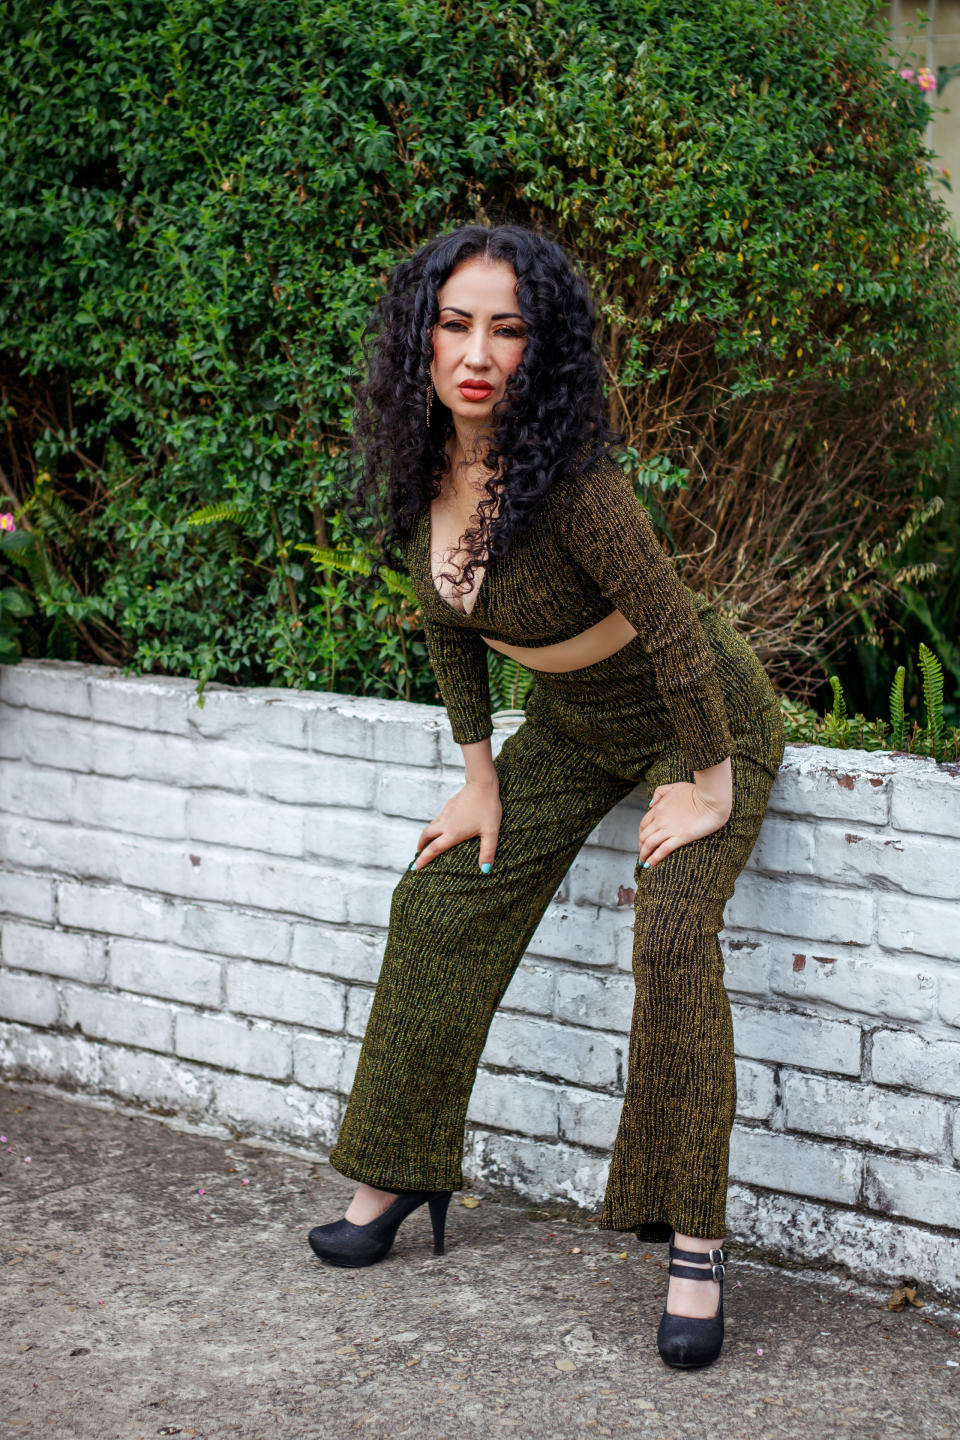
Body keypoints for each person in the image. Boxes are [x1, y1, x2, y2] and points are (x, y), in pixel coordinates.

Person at [308, 223, 785, 1370]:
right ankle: (398, 1170)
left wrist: (710, 785)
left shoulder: (575, 486)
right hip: (572, 726)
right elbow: (447, 623)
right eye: (455, 323)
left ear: (543, 348)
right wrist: (479, 776)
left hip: (695, 718)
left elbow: (676, 629)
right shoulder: (423, 467)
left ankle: (694, 1241)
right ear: (422, 339)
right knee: (439, 899)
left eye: (507, 329)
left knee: (672, 932)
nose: (477, 353)